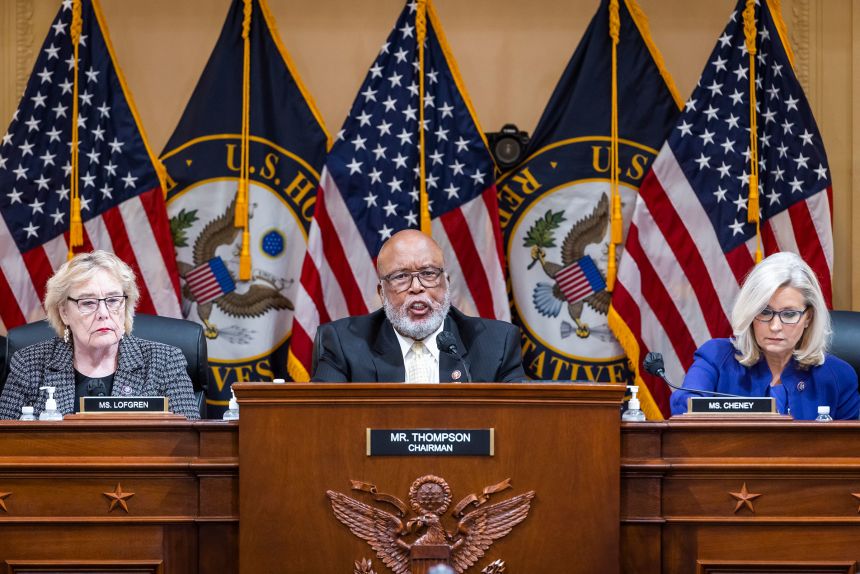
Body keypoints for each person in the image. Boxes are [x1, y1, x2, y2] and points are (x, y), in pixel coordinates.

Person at [0, 250, 200, 420]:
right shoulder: (29, 365)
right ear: (64, 312)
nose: (103, 313)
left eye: (113, 300)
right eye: (88, 303)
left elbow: (190, 444)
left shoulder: (164, 362)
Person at [312, 229, 525, 383]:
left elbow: (515, 424)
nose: (416, 287)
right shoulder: (342, 343)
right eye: (401, 276)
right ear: (382, 293)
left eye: (428, 273)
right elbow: (323, 421)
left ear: (446, 283)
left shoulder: (496, 344)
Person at [670, 251, 860, 420]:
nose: (775, 326)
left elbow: (851, 447)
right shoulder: (716, 358)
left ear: (808, 317)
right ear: (750, 313)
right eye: (764, 312)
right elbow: (684, 408)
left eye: (789, 314)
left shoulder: (837, 375)